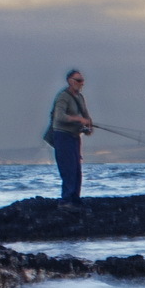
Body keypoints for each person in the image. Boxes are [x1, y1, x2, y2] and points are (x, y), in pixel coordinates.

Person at [42, 68, 97, 202]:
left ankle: (75, 200)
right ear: (70, 81)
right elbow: (59, 117)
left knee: (77, 170)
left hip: (75, 137)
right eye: (78, 80)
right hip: (62, 136)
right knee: (68, 169)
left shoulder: (80, 97)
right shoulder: (63, 97)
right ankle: (66, 201)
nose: (82, 83)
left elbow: (86, 116)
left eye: (82, 80)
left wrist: (87, 127)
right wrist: (79, 120)